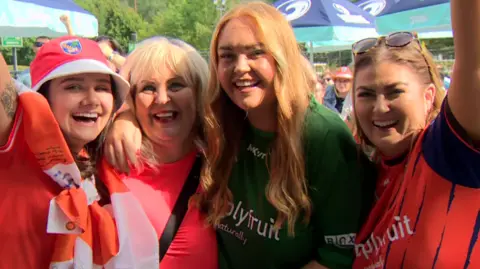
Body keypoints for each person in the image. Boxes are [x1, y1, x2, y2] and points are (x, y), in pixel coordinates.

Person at [197, 2, 374, 269]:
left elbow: (335, 256)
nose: (240, 67)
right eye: (227, 56)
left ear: (283, 56)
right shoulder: (218, 121)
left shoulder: (323, 135)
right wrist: (125, 119)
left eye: (256, 52)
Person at [0, 36, 158, 268]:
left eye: (102, 88)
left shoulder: (106, 161)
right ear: (42, 98)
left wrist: (126, 116)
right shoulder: (15, 144)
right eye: (74, 86)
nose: (92, 99)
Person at [351, 0, 480, 268]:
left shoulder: (449, 149)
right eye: (366, 94)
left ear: (428, 96)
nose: (379, 107)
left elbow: (474, 64)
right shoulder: (356, 170)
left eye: (394, 92)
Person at [103, 37, 218, 269]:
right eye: (148, 88)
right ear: (132, 100)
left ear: (198, 94)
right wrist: (121, 117)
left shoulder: (221, 164)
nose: (163, 99)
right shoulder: (110, 160)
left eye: (176, 85)